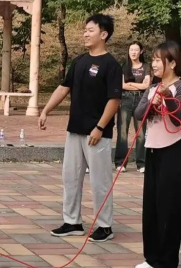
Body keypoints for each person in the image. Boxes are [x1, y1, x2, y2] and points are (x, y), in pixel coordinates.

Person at [39, 14, 122, 243]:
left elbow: (114, 100)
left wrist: (100, 127)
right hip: (75, 130)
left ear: (103, 34)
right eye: (85, 30)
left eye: (90, 30)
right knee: (70, 177)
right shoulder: (79, 61)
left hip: (97, 133)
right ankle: (72, 222)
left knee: (100, 181)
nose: (85, 34)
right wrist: (46, 110)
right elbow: (64, 88)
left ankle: (104, 226)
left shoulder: (111, 65)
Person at [134, 41, 181, 268]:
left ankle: (167, 261)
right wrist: (152, 103)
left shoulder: (179, 87)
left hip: (174, 153)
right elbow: (138, 113)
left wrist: (168, 98)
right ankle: (151, 258)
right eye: (152, 59)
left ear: (172, 63)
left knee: (169, 208)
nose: (152, 64)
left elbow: (178, 119)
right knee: (151, 206)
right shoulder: (153, 87)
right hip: (152, 151)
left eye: (157, 60)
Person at [114, 42, 150, 173]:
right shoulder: (124, 66)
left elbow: (146, 85)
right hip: (126, 100)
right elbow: (122, 85)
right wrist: (138, 85)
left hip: (141, 100)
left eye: (136, 50)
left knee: (141, 133)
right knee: (122, 132)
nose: (133, 52)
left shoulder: (146, 67)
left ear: (141, 51)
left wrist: (130, 84)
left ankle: (141, 163)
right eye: (131, 50)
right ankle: (120, 162)